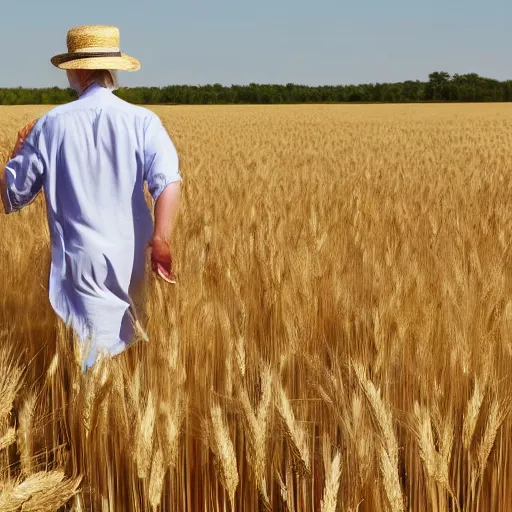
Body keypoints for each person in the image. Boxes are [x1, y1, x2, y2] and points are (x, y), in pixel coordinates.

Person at [0, 25, 182, 370]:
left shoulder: (51, 123)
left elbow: (13, 194)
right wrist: (161, 239)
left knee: (89, 364)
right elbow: (168, 182)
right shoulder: (144, 121)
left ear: (78, 70)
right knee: (131, 359)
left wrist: (16, 152)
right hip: (133, 259)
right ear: (111, 68)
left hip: (79, 262)